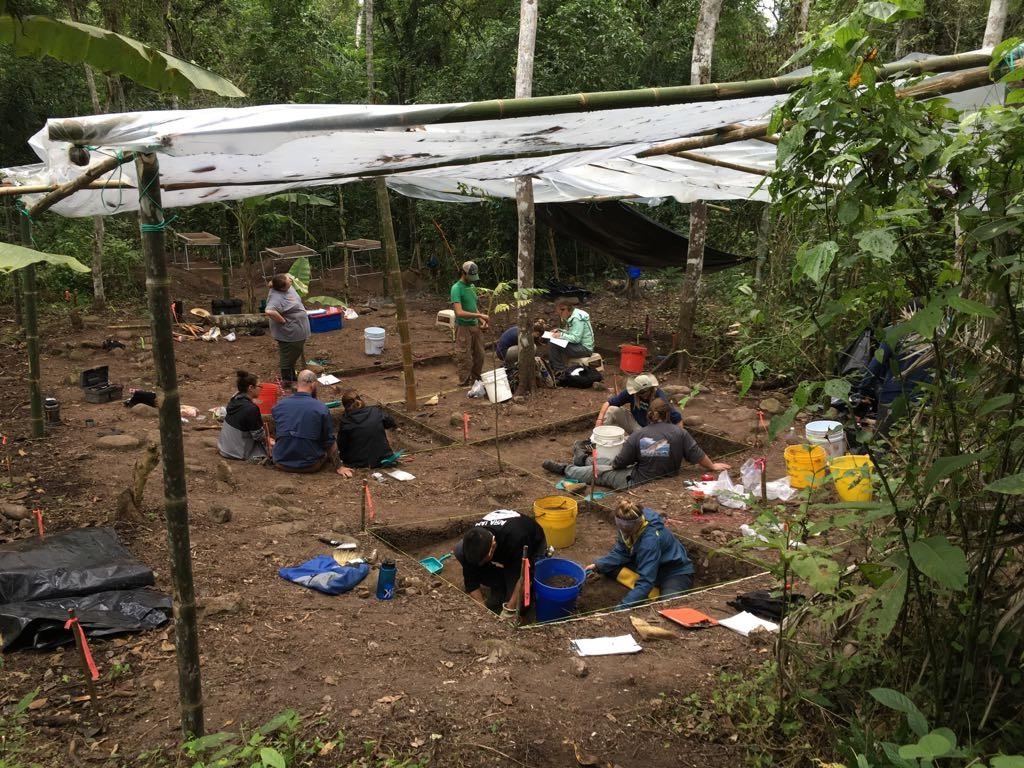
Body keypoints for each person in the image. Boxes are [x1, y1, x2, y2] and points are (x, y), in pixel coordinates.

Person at [542, 398, 730, 489]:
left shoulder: (639, 435)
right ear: (667, 415)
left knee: (599, 472)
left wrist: (616, 464)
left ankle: (566, 469)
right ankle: (583, 458)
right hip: (649, 469)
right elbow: (698, 455)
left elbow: (619, 464)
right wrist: (712, 466)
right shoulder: (680, 433)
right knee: (605, 464)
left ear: (650, 414)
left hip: (637, 478)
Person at [585, 499, 695, 608]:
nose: (623, 531)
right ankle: (652, 593)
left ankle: (657, 594)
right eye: (621, 527)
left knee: (668, 604)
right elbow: (621, 552)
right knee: (608, 567)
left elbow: (645, 580)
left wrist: (622, 608)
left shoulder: (650, 541)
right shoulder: (628, 519)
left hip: (673, 572)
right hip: (646, 564)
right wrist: (598, 565)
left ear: (637, 524)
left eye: (627, 529)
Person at [454, 510, 548, 618]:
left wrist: (509, 610)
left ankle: (512, 589)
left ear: (493, 546)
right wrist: (482, 609)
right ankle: (500, 585)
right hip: (506, 544)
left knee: (519, 604)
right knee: (459, 550)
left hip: (531, 543)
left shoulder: (518, 539)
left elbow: (524, 577)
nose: (479, 565)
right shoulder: (474, 538)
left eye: (483, 560)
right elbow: (470, 578)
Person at [271, 370, 349, 475]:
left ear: (297, 384)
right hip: (310, 465)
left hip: (281, 462)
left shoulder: (279, 406)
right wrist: (339, 467)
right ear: (313, 385)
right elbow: (329, 441)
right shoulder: (321, 408)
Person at [264, 273, 311, 384]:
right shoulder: (276, 297)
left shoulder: (282, 284)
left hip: (297, 326)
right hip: (289, 330)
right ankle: (287, 378)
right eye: (288, 281)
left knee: (294, 350)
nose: (290, 280)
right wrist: (282, 320)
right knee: (289, 352)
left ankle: (291, 373)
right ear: (282, 288)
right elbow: (269, 311)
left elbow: (278, 280)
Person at [218, 370, 273, 464]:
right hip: (237, 453)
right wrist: (269, 439)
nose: (261, 388)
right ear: (251, 387)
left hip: (224, 447)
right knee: (271, 450)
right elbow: (258, 436)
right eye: (260, 386)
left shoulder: (235, 398)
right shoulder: (251, 409)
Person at [597, 373, 682, 434]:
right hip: (635, 423)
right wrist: (599, 420)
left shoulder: (660, 399)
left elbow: (677, 418)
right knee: (612, 409)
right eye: (639, 393)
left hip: (651, 431)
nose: (642, 395)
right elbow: (608, 403)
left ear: (651, 389)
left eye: (645, 393)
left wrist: (680, 439)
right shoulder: (632, 392)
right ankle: (600, 436)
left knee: (627, 445)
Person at [336, 390, 400, 469]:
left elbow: (341, 445)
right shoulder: (375, 411)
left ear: (345, 407)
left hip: (358, 463)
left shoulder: (346, 422)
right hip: (383, 459)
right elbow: (391, 423)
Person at [450, 260, 489, 386]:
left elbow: (473, 307)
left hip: (475, 326)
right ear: (463, 273)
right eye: (470, 276)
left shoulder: (472, 287)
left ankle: (476, 379)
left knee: (480, 355)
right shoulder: (456, 288)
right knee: (464, 356)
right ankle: (464, 382)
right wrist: (479, 315)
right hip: (463, 327)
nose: (472, 280)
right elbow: (459, 312)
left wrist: (482, 320)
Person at [546, 297, 594, 373]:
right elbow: (572, 332)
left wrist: (560, 335)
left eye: (560, 313)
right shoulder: (573, 315)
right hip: (578, 345)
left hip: (584, 349)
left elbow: (576, 338)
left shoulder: (576, 319)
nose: (560, 316)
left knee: (553, 342)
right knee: (552, 340)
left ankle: (560, 370)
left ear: (565, 309)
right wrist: (560, 331)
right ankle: (556, 366)